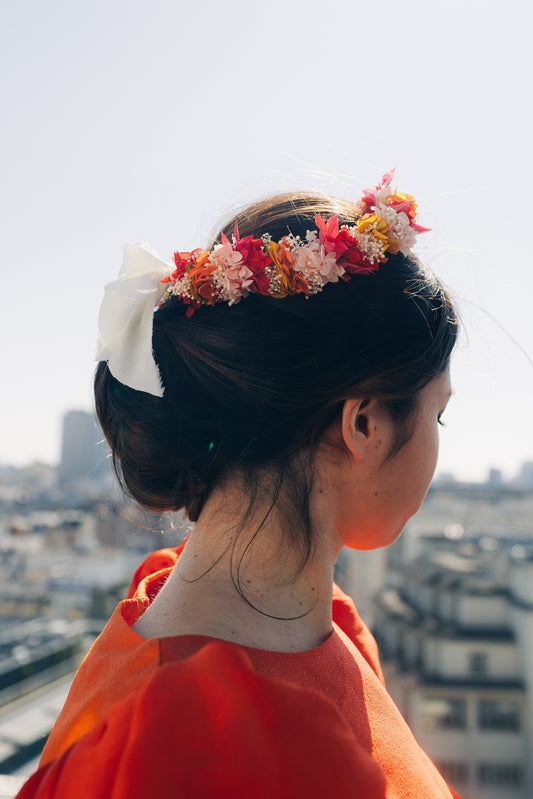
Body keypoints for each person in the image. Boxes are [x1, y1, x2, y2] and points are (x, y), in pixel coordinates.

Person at [17, 170, 461, 798]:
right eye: (438, 413)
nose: (441, 441)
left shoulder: (288, 622)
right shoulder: (207, 748)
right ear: (363, 423)